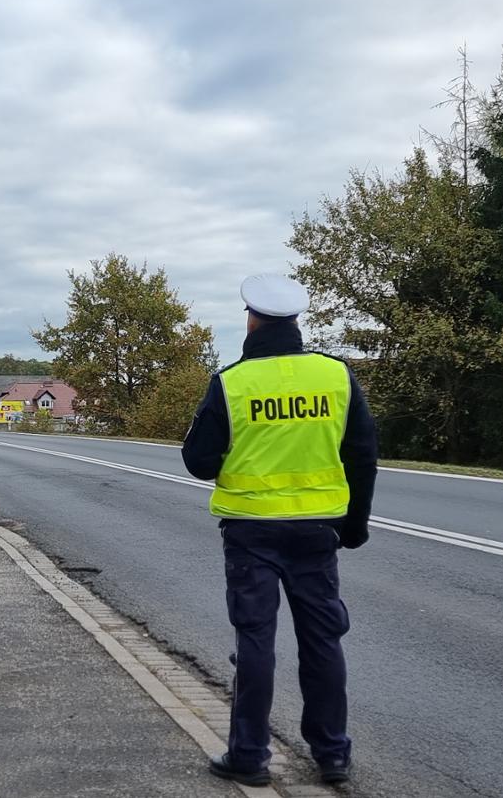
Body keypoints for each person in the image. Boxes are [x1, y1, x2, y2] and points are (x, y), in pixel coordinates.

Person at [181, 273, 377, 788]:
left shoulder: (232, 381)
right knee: (323, 641)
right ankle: (332, 754)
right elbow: (362, 453)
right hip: (317, 532)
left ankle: (249, 756)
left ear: (251, 319)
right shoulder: (336, 376)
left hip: (251, 533)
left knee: (254, 641)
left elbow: (199, 463)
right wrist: (354, 525)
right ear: (295, 321)